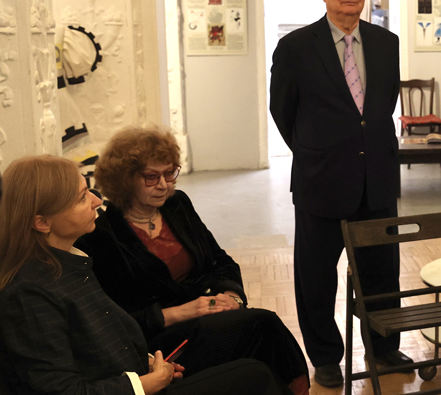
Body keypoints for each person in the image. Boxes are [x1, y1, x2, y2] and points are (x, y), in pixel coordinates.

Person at [0, 155, 285, 395]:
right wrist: (144, 384)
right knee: (254, 377)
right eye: (81, 197)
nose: (96, 201)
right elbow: (59, 389)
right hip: (137, 385)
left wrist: (149, 364)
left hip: (139, 371)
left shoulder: (70, 262)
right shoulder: (30, 292)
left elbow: (99, 340)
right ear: (42, 222)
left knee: (257, 333)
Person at [74, 127, 310, 395]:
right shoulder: (102, 235)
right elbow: (114, 319)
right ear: (125, 180)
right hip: (160, 343)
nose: (163, 185)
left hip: (207, 316)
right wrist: (183, 311)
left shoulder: (177, 205)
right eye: (151, 177)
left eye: (169, 173)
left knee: (260, 346)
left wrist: (231, 296)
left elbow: (220, 260)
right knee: (263, 327)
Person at [270, 0, 406, 388]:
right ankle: (326, 356)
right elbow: (282, 110)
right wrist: (316, 150)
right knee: (316, 277)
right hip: (321, 180)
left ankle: (384, 346)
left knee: (382, 272)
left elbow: (383, 105)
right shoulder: (295, 47)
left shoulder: (386, 43)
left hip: (376, 179)